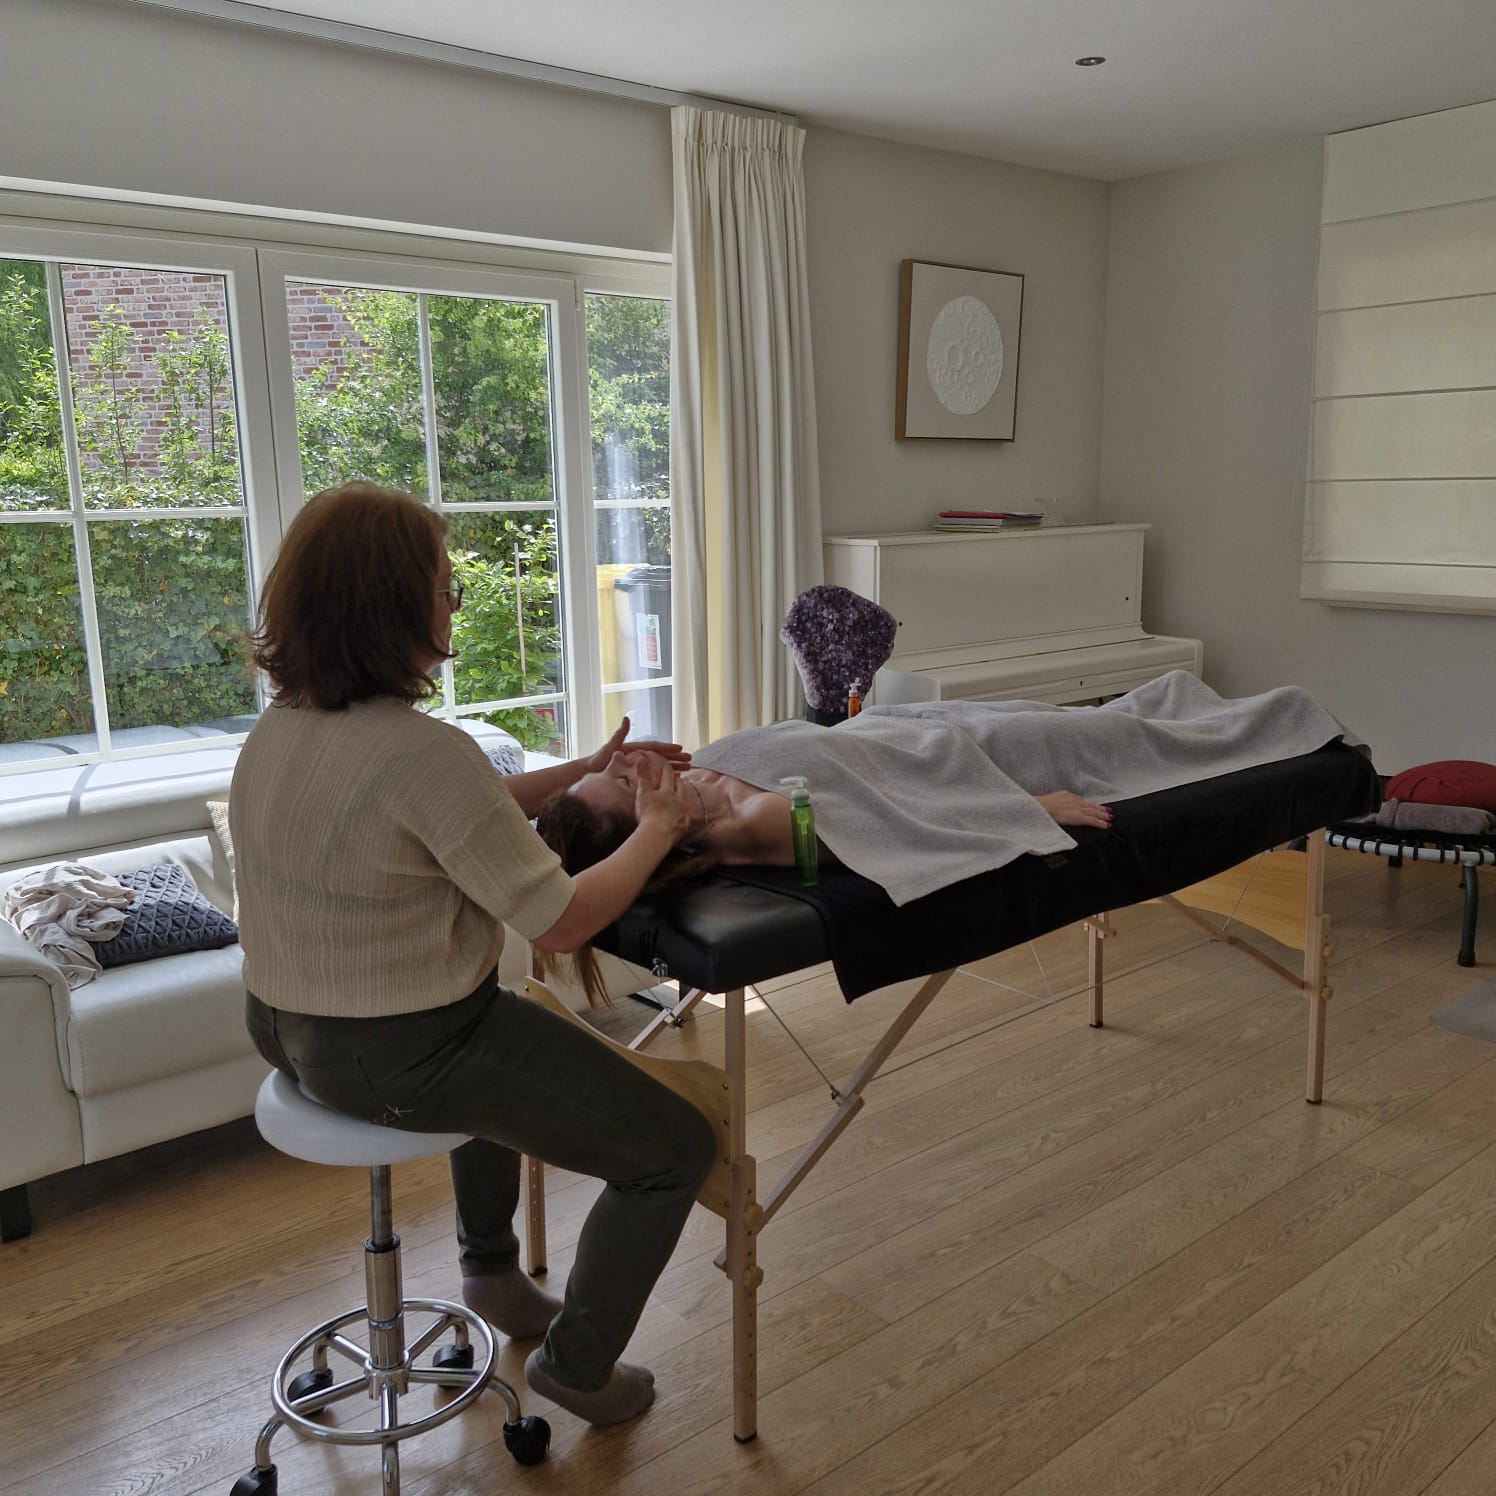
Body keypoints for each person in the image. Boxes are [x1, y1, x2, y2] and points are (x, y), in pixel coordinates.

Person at [231, 481, 717, 1428]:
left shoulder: (279, 731)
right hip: (394, 1052)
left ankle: (491, 1273)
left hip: (283, 1026)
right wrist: (658, 825)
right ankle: (579, 1368)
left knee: (509, 1025)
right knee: (673, 1150)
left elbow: (456, 813)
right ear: (392, 606)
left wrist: (585, 771)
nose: (453, 605)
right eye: (445, 588)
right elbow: (563, 924)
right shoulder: (422, 751)